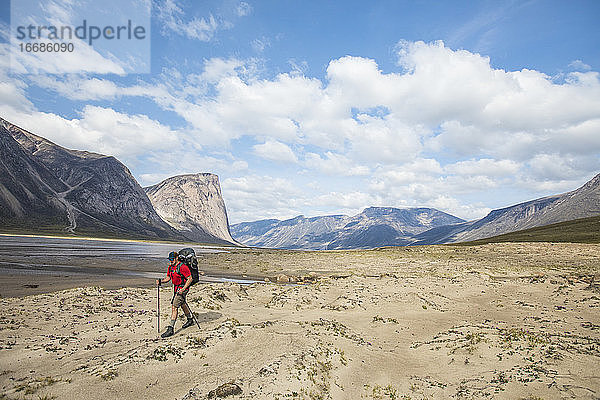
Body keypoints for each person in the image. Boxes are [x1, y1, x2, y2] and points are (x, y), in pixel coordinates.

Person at [156, 251, 195, 338]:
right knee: (182, 303)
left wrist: (183, 289)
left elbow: (190, 278)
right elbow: (168, 278)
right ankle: (190, 319)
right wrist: (161, 281)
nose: (171, 261)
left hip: (182, 289)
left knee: (174, 307)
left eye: (172, 259)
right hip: (176, 288)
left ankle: (170, 329)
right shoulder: (170, 267)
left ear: (176, 258)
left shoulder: (183, 267)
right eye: (169, 259)